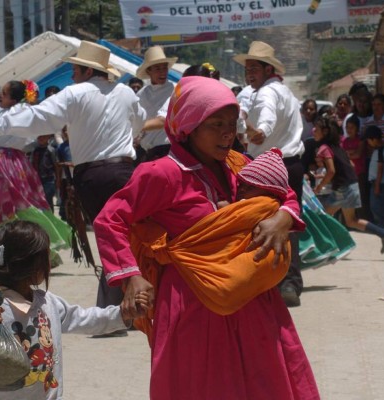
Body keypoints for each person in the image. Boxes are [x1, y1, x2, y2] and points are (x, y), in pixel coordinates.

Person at [93, 76, 319, 399]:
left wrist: (282, 218)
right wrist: (131, 277)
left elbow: (282, 194)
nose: (228, 133)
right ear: (189, 125)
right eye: (216, 124)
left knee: (262, 383)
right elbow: (111, 219)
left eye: (232, 123)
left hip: (252, 300)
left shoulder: (239, 165)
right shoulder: (163, 173)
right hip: (193, 304)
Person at [0, 41, 146, 335]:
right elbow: (140, 122)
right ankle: (131, 303)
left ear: (84, 70)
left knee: (111, 235)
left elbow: (38, 118)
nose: (71, 76)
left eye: (74, 69)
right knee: (133, 233)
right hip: (125, 170)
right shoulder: (125, 92)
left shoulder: (76, 93)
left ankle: (117, 310)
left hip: (93, 174)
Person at [0, 220, 148, 398]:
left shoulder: (47, 303)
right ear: (30, 265)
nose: (49, 264)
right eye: (45, 258)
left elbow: (82, 319)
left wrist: (122, 314)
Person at [0, 80, 71, 278]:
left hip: (15, 163)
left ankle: (43, 253)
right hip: (0, 162)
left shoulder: (24, 111)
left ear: (14, 98)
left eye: (4, 93)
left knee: (24, 208)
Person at [233, 41, 306, 307]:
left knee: (265, 223)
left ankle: (274, 280)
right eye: (246, 69)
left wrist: (253, 129)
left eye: (253, 68)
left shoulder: (266, 94)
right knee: (289, 222)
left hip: (270, 168)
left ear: (267, 69)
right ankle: (289, 282)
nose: (248, 74)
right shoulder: (285, 92)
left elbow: (264, 125)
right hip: (291, 164)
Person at [313, 115, 384, 253]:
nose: (313, 130)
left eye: (317, 128)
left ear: (325, 131)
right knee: (351, 220)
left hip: (343, 188)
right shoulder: (337, 147)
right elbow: (349, 164)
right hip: (351, 185)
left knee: (323, 216)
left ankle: (334, 246)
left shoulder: (325, 148)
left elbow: (331, 171)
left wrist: (319, 187)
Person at [135, 46, 177, 161]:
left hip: (167, 150)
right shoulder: (142, 93)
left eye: (165, 68)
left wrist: (134, 127)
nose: (163, 72)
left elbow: (162, 121)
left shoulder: (174, 90)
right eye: (158, 68)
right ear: (149, 70)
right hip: (147, 151)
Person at [366, 125, 384, 230]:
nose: (368, 143)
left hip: (379, 185)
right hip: (379, 184)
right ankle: (383, 228)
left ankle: (383, 229)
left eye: (369, 140)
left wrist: (377, 186)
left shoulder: (381, 151)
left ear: (373, 139)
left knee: (378, 208)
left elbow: (380, 168)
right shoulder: (381, 150)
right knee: (378, 207)